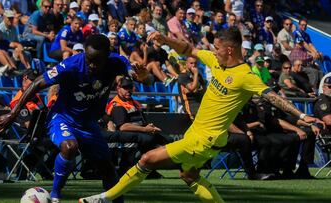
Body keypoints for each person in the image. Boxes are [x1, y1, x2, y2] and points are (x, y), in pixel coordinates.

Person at [79, 27, 322, 203]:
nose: (213, 52)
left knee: (146, 160)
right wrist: (165, 39)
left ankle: (106, 198)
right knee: (188, 175)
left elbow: (272, 96)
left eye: (217, 48)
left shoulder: (246, 76)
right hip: (200, 135)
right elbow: (189, 49)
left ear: (229, 49)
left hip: (204, 139)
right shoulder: (218, 63)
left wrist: (301, 115)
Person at [0, 34, 130, 203]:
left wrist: (141, 74)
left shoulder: (117, 62)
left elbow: (143, 77)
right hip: (62, 118)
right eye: (88, 59)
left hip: (88, 124)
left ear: (107, 56)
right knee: (69, 146)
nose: (91, 65)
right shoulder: (71, 65)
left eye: (97, 61)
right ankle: (55, 195)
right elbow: (37, 83)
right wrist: (13, 113)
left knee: (108, 168)